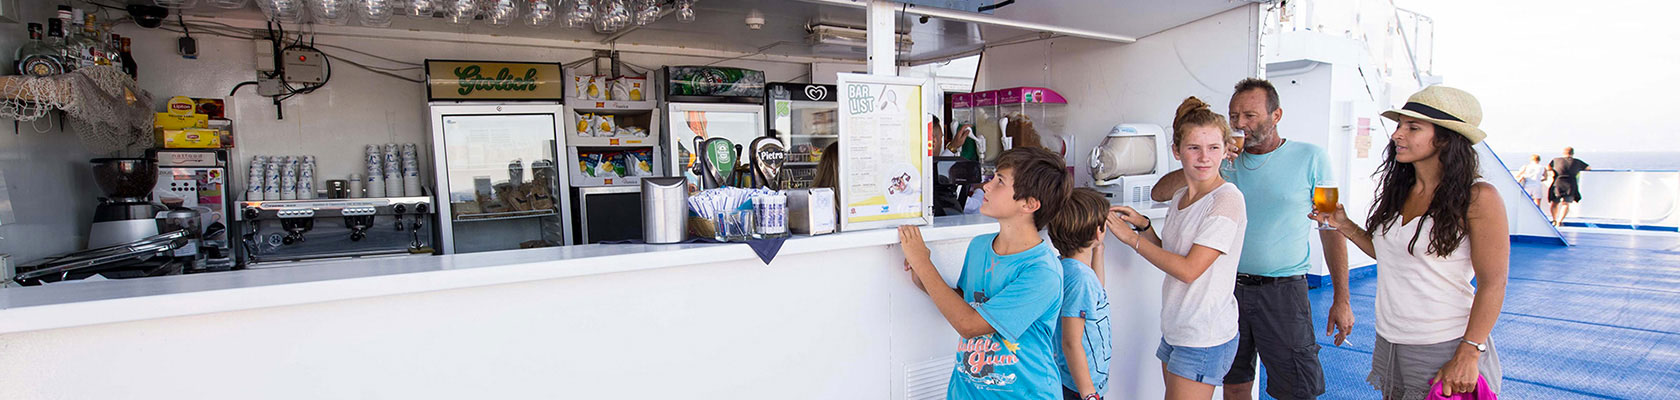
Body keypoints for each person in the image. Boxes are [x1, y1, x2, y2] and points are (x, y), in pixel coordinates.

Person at [1151, 79, 1347, 400]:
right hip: (1228, 293)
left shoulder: (1314, 158)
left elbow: (1331, 227)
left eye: (1250, 116)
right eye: (1234, 116)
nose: (1240, 124)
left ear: (1276, 115)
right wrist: (1215, 158)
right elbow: (1159, 192)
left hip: (1284, 292)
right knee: (1235, 386)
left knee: (1296, 390)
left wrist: (1342, 298)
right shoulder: (1224, 164)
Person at [1311, 85, 1508, 398]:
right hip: (1391, 341)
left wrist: (1469, 351)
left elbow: (1493, 283)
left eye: (1412, 128)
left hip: (1444, 344)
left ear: (1445, 138)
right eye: (1399, 125)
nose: (1396, 135)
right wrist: (1345, 225)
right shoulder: (1401, 190)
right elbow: (1392, 254)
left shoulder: (1479, 197)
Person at [898, 147, 1073, 399]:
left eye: (1000, 181)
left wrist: (923, 263)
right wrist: (922, 277)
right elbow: (967, 302)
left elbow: (969, 324)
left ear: (1029, 204)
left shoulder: (1042, 272)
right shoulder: (980, 246)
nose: (986, 187)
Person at [1111, 97, 1246, 400]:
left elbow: (1188, 270)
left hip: (1204, 336)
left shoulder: (1226, 199)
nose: (1204, 157)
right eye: (1194, 148)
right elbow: (1171, 255)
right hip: (1177, 328)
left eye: (1213, 148)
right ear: (1177, 151)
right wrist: (1144, 227)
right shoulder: (1180, 196)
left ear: (1226, 150)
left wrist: (1132, 240)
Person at [1048, 188, 1114, 400]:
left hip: (1077, 382)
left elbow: (1096, 292)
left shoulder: (1067, 267)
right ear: (1098, 232)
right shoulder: (1080, 279)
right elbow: (1071, 342)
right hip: (1080, 387)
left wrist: (1098, 250)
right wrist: (1089, 394)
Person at [1547, 147, 1590, 226]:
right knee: (1566, 204)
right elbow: (1588, 168)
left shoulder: (1556, 160)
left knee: (1554, 203)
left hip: (1558, 183)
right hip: (1570, 184)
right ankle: (1560, 221)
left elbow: (1548, 167)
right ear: (1572, 153)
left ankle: (1554, 219)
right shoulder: (1577, 161)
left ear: (1563, 153)